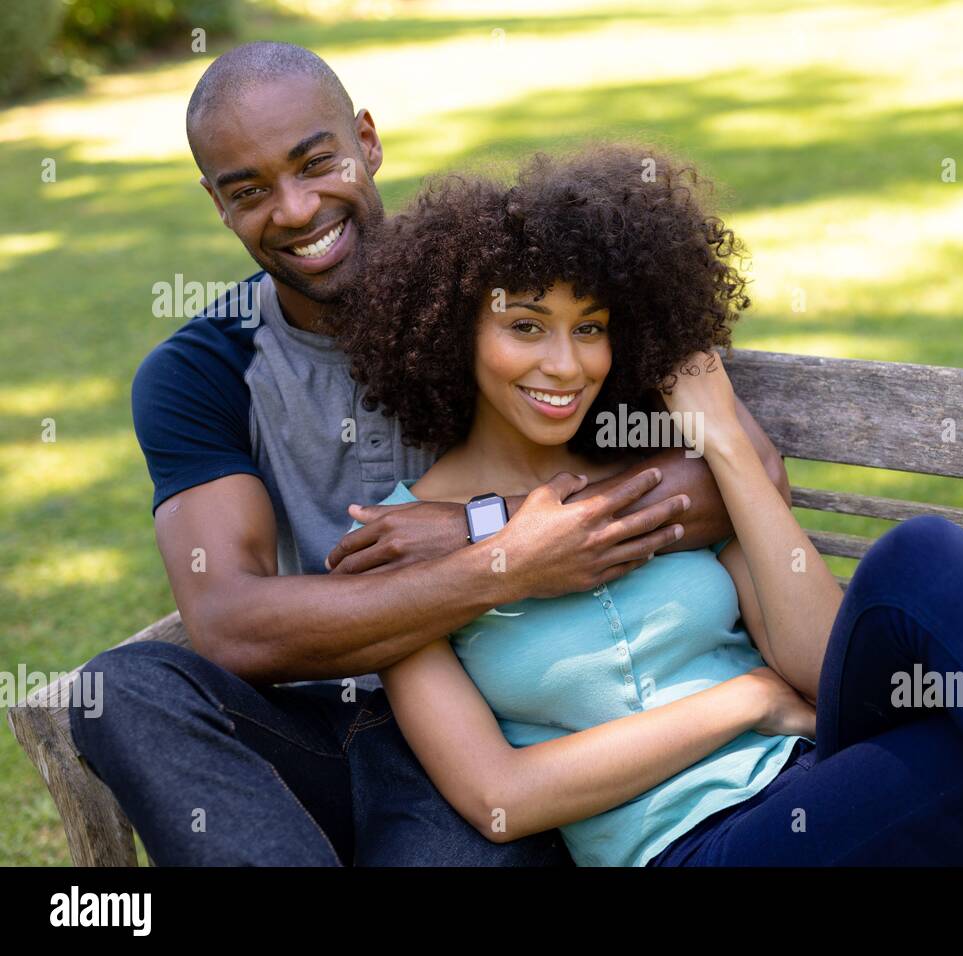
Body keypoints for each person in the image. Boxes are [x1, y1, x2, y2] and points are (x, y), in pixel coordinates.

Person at [339, 141, 963, 867]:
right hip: (699, 853)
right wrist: (743, 700)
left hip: (825, 789)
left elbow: (812, 658)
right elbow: (499, 797)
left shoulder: (648, 477)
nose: (566, 363)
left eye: (591, 328)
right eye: (523, 326)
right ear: (449, 328)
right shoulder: (404, 555)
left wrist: (723, 443)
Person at [67, 41, 794, 866]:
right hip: (312, 726)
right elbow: (232, 623)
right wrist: (503, 556)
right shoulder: (200, 371)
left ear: (367, 142)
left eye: (317, 163)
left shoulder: (486, 291)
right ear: (217, 205)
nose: (298, 209)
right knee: (121, 686)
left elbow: (732, 476)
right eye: (251, 191)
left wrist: (471, 525)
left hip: (490, 718)